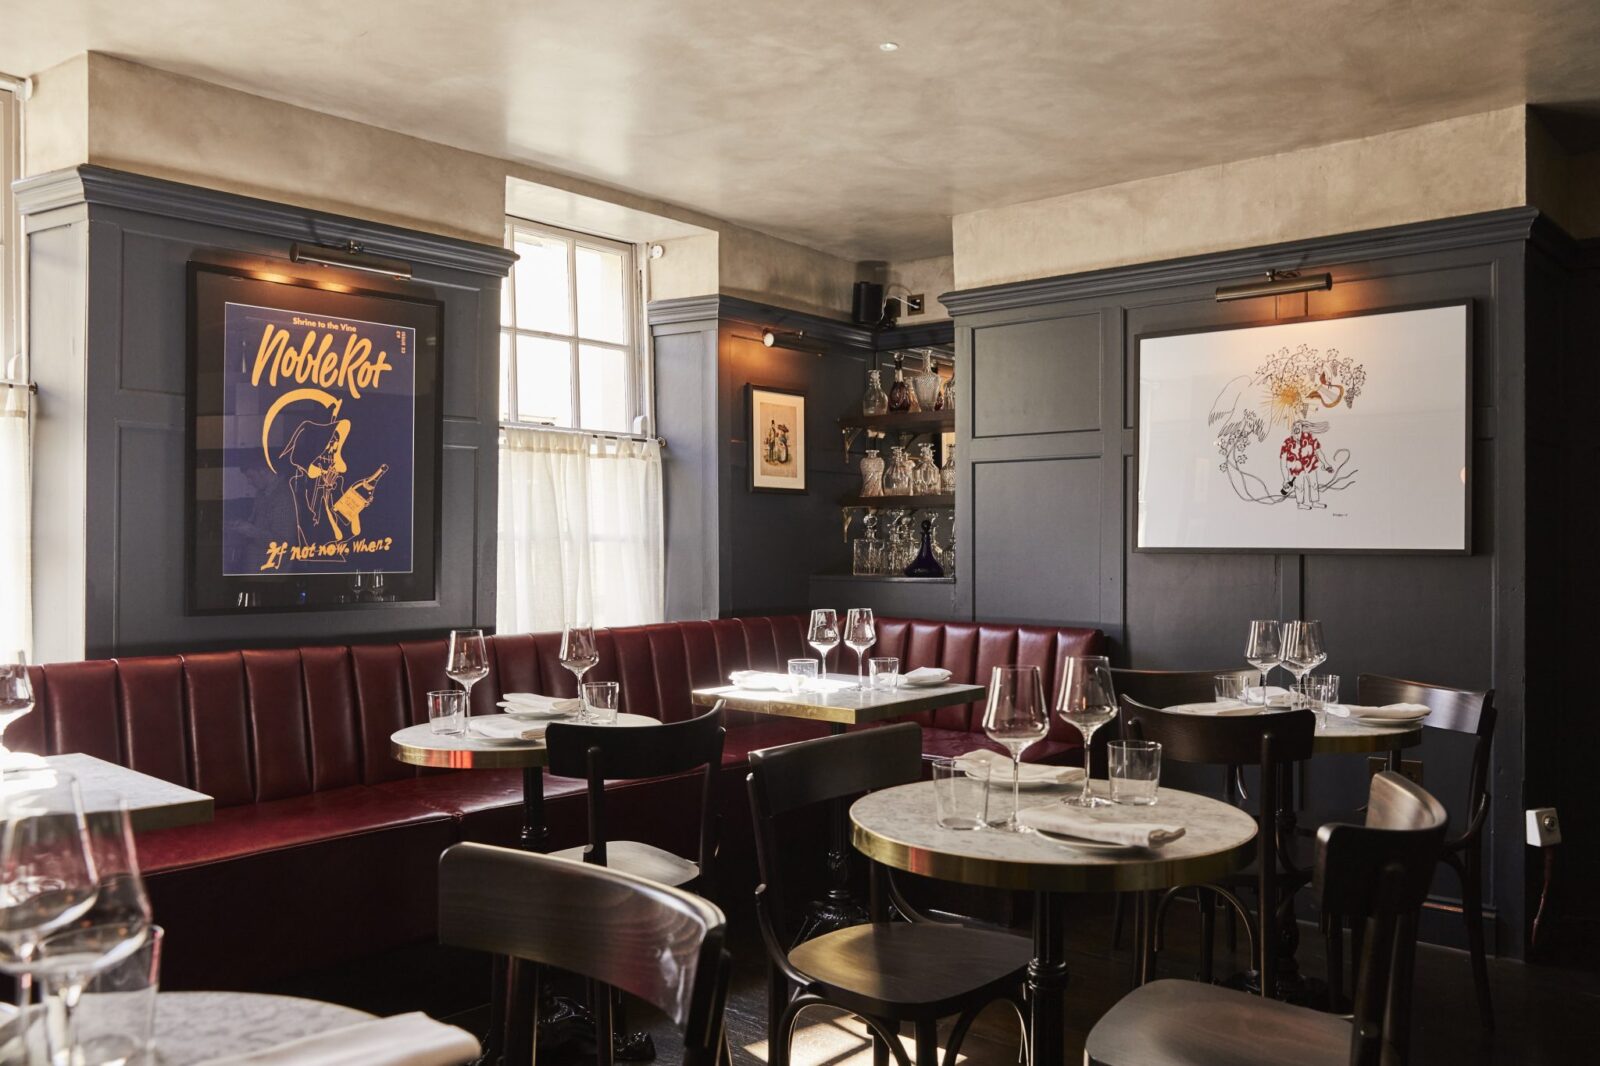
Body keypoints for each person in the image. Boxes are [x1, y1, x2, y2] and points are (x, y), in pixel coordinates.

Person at [1279, 418, 1332, 509]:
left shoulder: (1310, 437)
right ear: (1292, 429)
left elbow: (1318, 451)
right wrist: (1285, 479)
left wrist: (1326, 464)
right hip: (1297, 470)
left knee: (1314, 484)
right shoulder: (1287, 442)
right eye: (1294, 427)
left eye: (1298, 426)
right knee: (1299, 487)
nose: (1296, 429)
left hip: (1310, 466)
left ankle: (1315, 502)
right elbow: (1282, 460)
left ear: (1302, 428)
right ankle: (1300, 504)